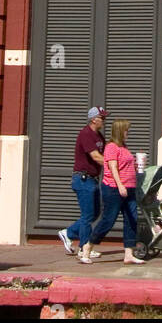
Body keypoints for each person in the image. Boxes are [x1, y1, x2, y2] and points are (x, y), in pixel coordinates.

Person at [79, 118, 144, 264]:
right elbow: (113, 167)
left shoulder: (124, 147)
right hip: (114, 189)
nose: (128, 132)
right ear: (120, 131)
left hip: (130, 188)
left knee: (131, 219)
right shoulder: (111, 147)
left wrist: (136, 167)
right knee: (108, 220)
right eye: (126, 130)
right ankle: (88, 246)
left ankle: (129, 254)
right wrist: (120, 185)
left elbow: (124, 166)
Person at [58, 107, 107, 258]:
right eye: (102, 118)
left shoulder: (99, 136)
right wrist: (114, 165)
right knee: (87, 215)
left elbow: (104, 154)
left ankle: (69, 233)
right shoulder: (86, 134)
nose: (104, 121)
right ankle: (84, 247)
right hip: (83, 179)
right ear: (94, 119)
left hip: (93, 179)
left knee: (95, 213)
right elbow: (96, 156)